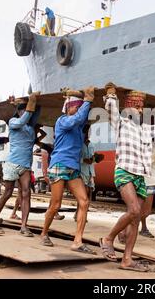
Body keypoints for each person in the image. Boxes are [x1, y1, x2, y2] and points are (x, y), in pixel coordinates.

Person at [99, 83, 155, 272]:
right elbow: (110, 108)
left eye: (141, 106)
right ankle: (108, 238)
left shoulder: (146, 128)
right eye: (135, 105)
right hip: (124, 171)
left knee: (136, 217)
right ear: (127, 107)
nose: (139, 109)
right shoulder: (121, 123)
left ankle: (127, 259)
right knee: (133, 210)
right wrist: (111, 95)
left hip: (141, 175)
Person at [40, 86, 95, 253]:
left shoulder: (78, 127)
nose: (78, 110)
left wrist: (87, 104)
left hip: (73, 168)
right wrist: (87, 101)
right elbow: (77, 119)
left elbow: (80, 120)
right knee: (55, 205)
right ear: (68, 107)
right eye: (76, 107)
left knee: (84, 202)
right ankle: (44, 233)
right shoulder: (62, 121)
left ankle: (77, 241)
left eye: (79, 108)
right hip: (59, 165)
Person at [0, 92, 41, 236]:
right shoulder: (13, 122)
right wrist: (25, 105)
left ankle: (24, 226)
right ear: (18, 112)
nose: (26, 112)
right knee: (7, 193)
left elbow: (37, 112)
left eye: (26, 109)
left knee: (26, 194)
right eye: (22, 110)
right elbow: (24, 119)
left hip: (25, 165)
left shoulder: (30, 128)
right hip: (12, 164)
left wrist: (35, 101)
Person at [73, 125, 105, 221]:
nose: (87, 134)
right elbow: (75, 158)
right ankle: (80, 214)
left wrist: (96, 159)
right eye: (85, 132)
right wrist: (84, 160)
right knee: (83, 194)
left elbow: (92, 159)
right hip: (82, 171)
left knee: (88, 194)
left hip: (90, 172)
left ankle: (80, 213)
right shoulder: (78, 144)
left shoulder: (92, 145)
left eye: (88, 132)